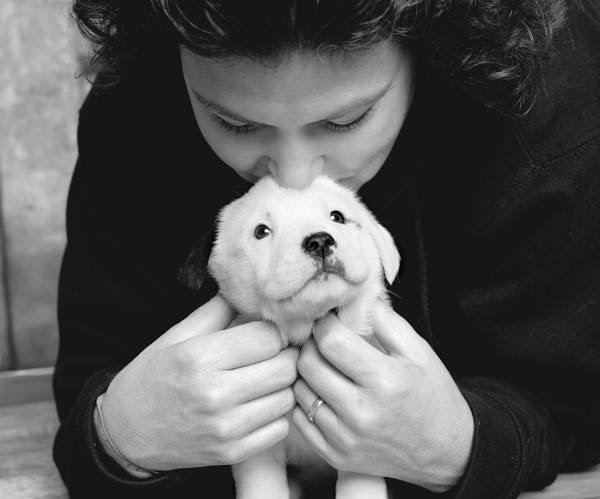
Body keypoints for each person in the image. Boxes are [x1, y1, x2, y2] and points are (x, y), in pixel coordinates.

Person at [52, 1, 600, 498]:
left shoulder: (549, 106)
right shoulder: (131, 104)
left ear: (428, 49)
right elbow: (87, 385)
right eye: (234, 123)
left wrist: (466, 446)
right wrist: (119, 436)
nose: (294, 175)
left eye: (345, 120)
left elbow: (575, 411)